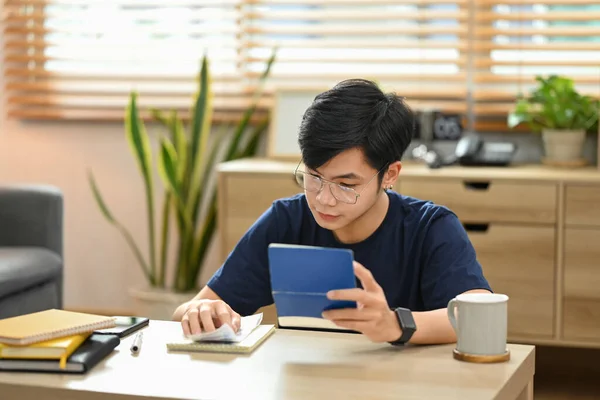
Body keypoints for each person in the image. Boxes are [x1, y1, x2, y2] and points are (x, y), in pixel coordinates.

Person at [172, 78, 491, 345]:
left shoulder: (430, 227)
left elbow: (477, 315)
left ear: (390, 175)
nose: (323, 199)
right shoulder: (286, 221)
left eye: (345, 184)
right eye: (313, 176)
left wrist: (395, 325)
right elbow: (195, 307)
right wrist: (199, 314)